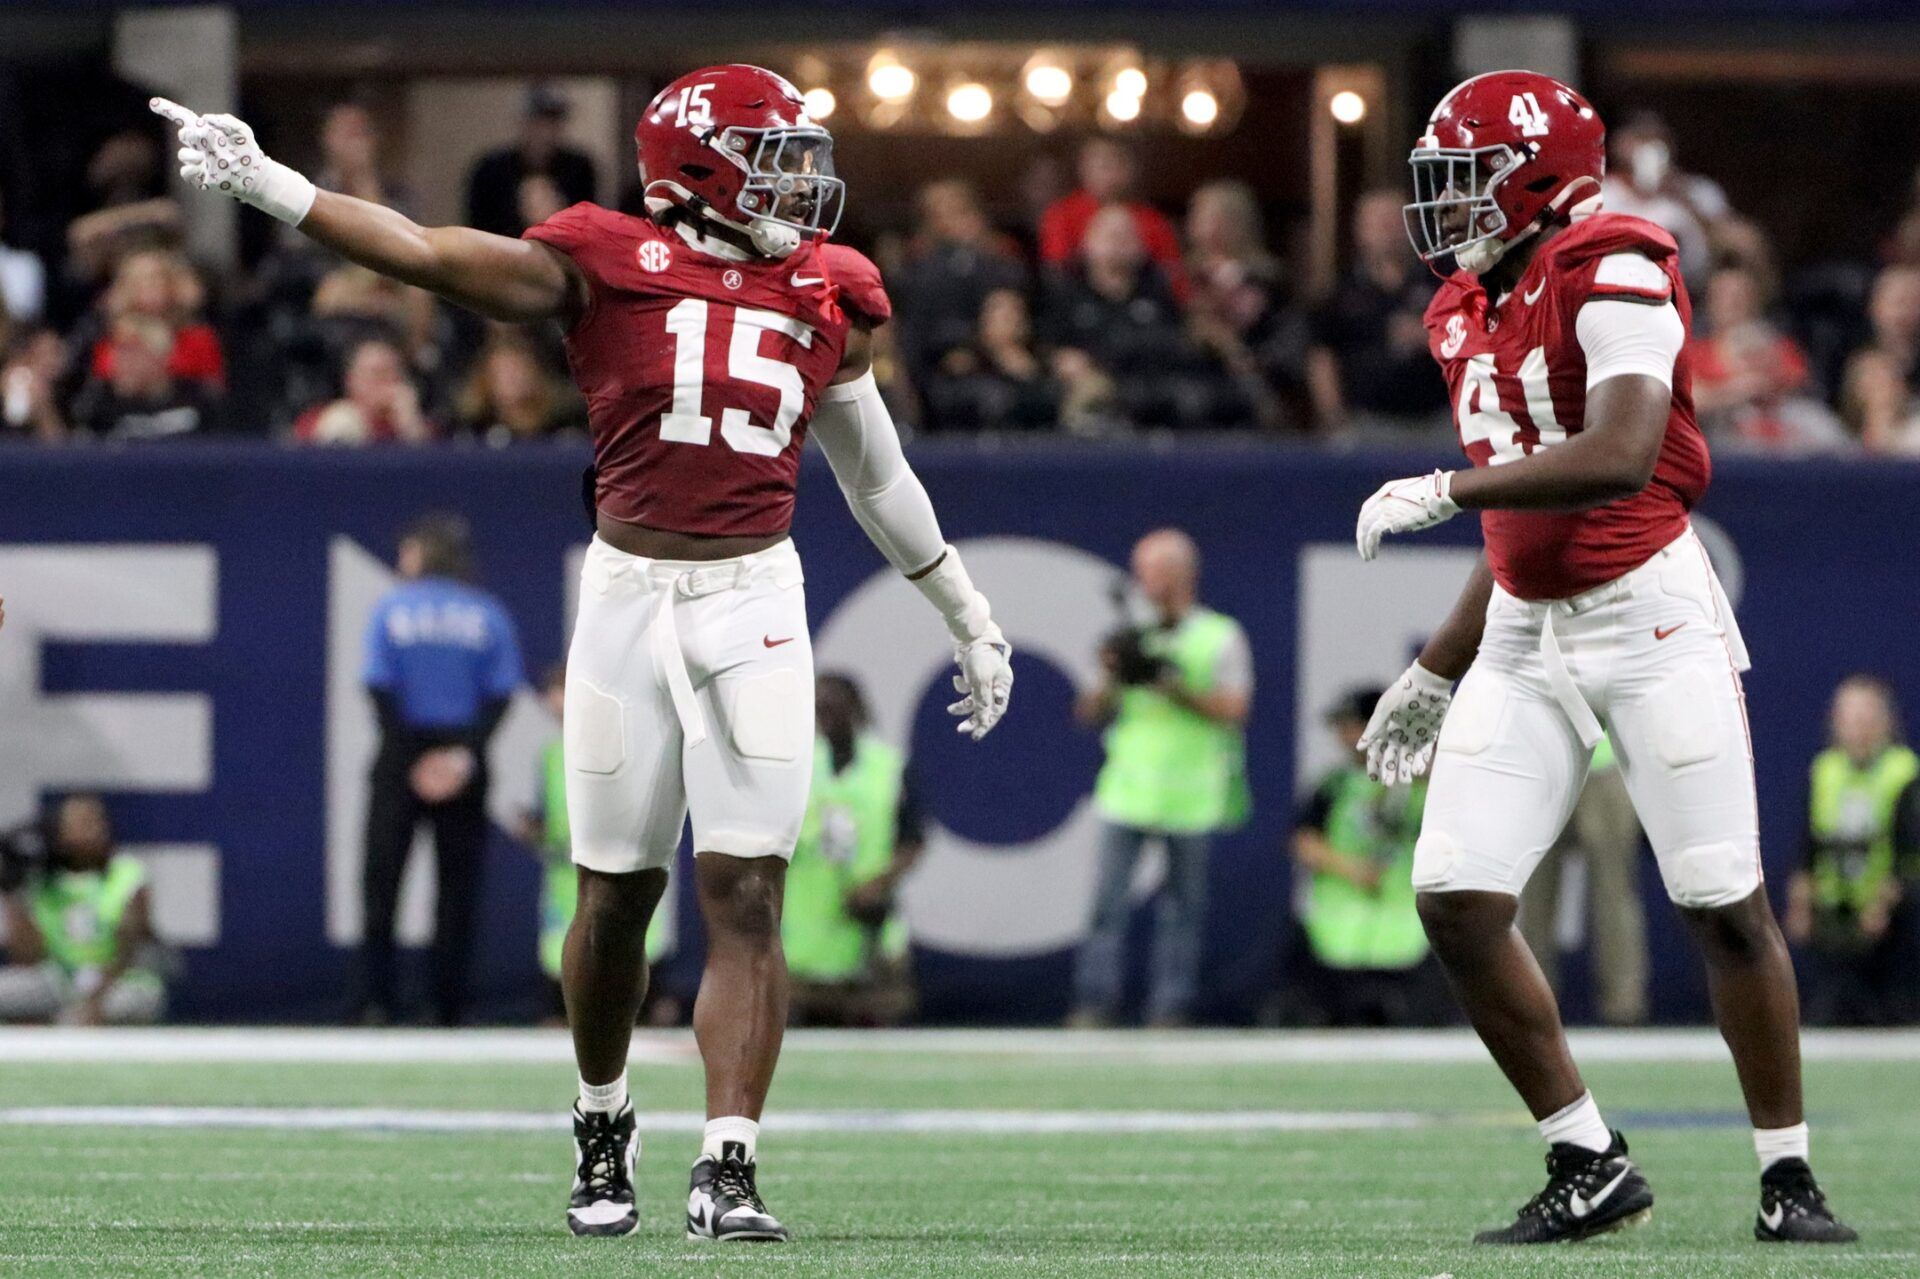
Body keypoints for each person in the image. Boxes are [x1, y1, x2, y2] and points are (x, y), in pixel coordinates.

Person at [155, 64, 1014, 1243]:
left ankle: (730, 1162)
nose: (803, 183)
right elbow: (426, 252)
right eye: (776, 155)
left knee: (750, 886)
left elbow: (877, 475)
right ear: (703, 166)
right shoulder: (606, 255)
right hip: (627, 597)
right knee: (616, 897)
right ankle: (602, 1116)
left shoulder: (831, 288)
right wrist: (270, 185)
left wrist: (964, 607)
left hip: (757, 592)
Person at [1355, 70, 1854, 1245]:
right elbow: (1523, 521)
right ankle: (1586, 1155)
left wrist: (1444, 485)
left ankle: (1789, 1176)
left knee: (1720, 900)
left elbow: (1622, 451)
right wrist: (1436, 667)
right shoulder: (1463, 306)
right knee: (1457, 897)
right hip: (1528, 624)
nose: (1447, 202)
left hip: (1650, 612)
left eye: (1465, 175)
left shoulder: (1616, 258)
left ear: (1532, 173)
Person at [1071, 528, 1250, 1027]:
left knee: (1182, 914)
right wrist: (1115, 673)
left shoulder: (1219, 635)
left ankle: (1170, 1008)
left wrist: (1172, 686)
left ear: (1178, 574)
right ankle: (1094, 1002)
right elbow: (1087, 713)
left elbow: (1235, 709)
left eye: (1148, 570)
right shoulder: (1130, 635)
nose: (1141, 581)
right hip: (1128, 790)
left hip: (1191, 795)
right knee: (1107, 906)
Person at [355, 513, 524, 1027]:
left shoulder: (392, 609)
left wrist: (411, 756)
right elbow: (500, 693)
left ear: (422, 553)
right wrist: (459, 755)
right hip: (463, 754)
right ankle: (446, 1003)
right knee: (457, 888)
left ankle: (374, 1001)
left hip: (400, 753)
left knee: (382, 882)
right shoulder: (487, 615)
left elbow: (379, 686)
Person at [519, 664, 670, 1025]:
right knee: (568, 946)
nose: (556, 705)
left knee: (625, 938)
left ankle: (646, 1007)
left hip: (619, 862)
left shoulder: (620, 743)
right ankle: (565, 1010)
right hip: (565, 874)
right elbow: (547, 812)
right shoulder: (551, 755)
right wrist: (535, 831)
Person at [1288, 687, 1437, 1027]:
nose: (1343, 736)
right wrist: (1351, 869)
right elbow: (1304, 840)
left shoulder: (1423, 782)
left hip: (1409, 927)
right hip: (1338, 928)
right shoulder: (1335, 784)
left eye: (1351, 725)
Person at [784, 673, 925, 1026]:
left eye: (835, 708)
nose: (826, 717)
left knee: (882, 1008)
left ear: (857, 709)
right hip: (806, 921)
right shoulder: (797, 765)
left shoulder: (889, 766)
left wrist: (879, 885)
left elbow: (913, 839)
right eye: (820, 709)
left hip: (867, 918)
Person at [1784, 675, 1917, 1026]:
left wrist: (1881, 906)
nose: (1857, 729)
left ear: (1885, 723)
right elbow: (1807, 850)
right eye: (1849, 718)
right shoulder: (1825, 771)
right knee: (1827, 1011)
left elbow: (1910, 857)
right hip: (1835, 918)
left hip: (1892, 922)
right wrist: (1800, 905)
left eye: (1866, 719)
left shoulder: (1904, 774)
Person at [1516, 736, 1651, 1026]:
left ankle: (1624, 1008)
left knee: (1615, 893)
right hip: (1543, 765)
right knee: (1533, 892)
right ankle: (1528, 1004)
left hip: (1607, 762)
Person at [0, 795, 165, 1025]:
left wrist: (95, 1001)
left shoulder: (126, 874)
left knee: (139, 999)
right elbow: (28, 957)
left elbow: (129, 947)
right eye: (76, 824)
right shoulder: (41, 880)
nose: (89, 832)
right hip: (58, 978)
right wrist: (11, 894)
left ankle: (64, 1023)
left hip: (116, 980)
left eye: (93, 822)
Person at [1307, 189, 1452, 432]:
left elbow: (1480, 338)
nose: (1388, 231)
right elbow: (1322, 354)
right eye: (1379, 223)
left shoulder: (1445, 283)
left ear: (1412, 225)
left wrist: (1431, 338)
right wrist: (1334, 417)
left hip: (1438, 419)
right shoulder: (1341, 292)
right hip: (1368, 422)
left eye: (1395, 221)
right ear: (1360, 231)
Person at [1600, 112, 1732, 287]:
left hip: (1687, 292)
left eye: (1656, 141)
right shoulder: (1602, 192)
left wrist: (1683, 197)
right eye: (1640, 139)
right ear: (1620, 146)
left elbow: (1730, 249)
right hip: (1614, 289)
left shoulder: (1697, 192)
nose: (1648, 149)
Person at [1038, 138, 1184, 294]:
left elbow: (1173, 275)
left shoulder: (1153, 221)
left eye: (1116, 164)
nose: (1109, 174)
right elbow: (1056, 269)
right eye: (1102, 166)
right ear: (1083, 169)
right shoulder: (1061, 215)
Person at [465, 84, 599, 238]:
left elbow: (588, 230)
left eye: (552, 122)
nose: (545, 132)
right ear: (523, 122)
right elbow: (478, 230)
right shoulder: (490, 170)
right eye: (538, 122)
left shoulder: (579, 168)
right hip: (500, 256)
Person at [70, 315, 223, 439]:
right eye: (119, 353)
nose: (122, 363)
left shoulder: (198, 398)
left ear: (162, 358)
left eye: (133, 354)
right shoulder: (99, 405)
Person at [1839, 264, 1920, 453]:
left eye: (1915, 303)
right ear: (1874, 305)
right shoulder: (1843, 352)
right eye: (1899, 302)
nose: (1906, 312)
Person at [293, 336, 431, 444]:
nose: (388, 381)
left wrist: (410, 424)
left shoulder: (418, 428)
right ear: (351, 380)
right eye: (378, 373)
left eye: (394, 373)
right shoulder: (318, 420)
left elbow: (432, 470)